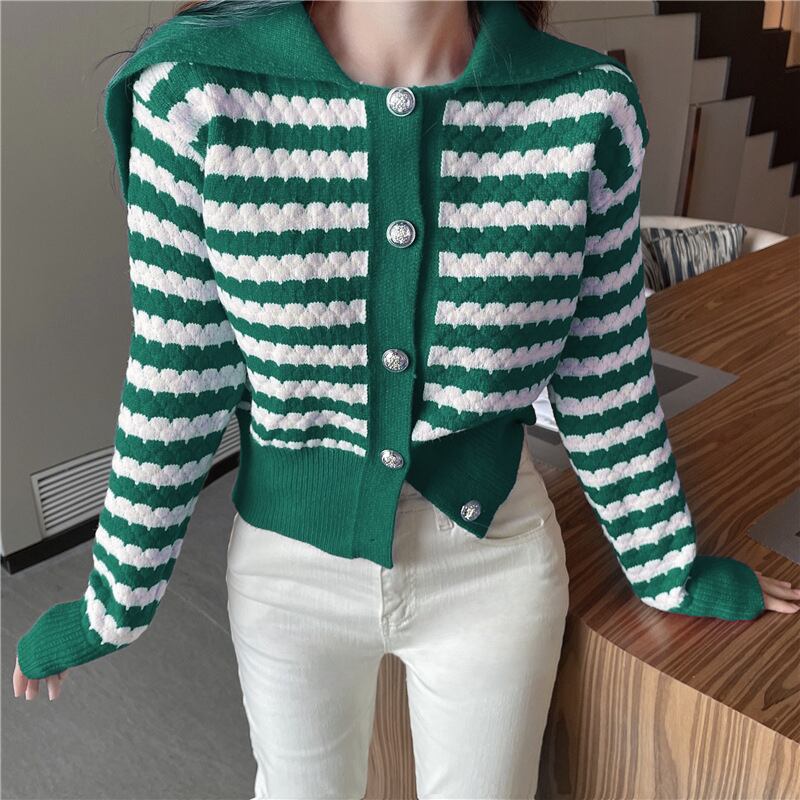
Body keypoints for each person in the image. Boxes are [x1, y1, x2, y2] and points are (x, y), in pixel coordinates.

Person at [14, 1, 799, 797]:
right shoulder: (196, 95)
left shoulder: (586, 106)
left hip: (494, 556)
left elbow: (605, 371)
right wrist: (115, 598)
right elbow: (178, 370)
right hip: (288, 571)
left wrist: (667, 566)